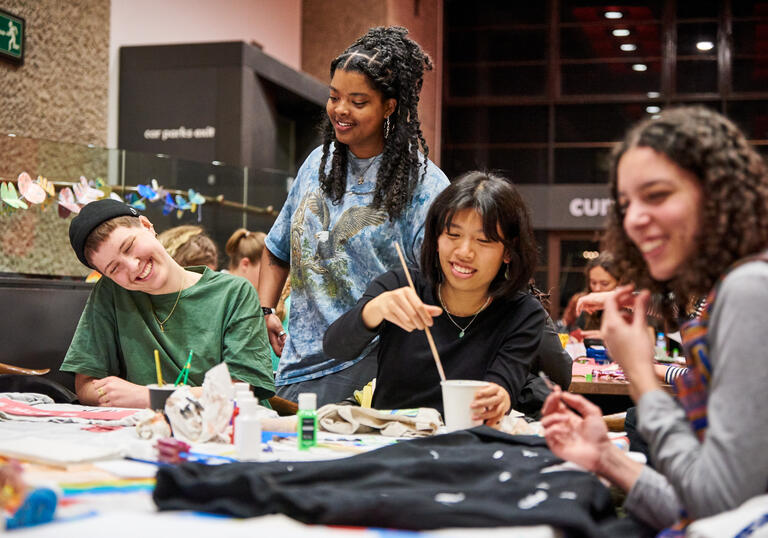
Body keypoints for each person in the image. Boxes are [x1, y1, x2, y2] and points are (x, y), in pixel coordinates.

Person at [541, 106, 768, 531]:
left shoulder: (749, 289)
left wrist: (641, 376)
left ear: (716, 192)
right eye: (626, 204)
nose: (635, 218)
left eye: (657, 195)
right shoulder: (733, 287)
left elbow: (714, 504)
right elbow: (711, 513)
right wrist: (606, 458)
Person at [258, 26, 449, 405]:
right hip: (296, 367)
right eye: (334, 97)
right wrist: (264, 311)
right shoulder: (316, 165)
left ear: (389, 106)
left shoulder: (424, 185)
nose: (340, 110)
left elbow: (442, 286)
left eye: (358, 101)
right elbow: (277, 249)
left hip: (374, 370)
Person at [324, 172, 546, 427]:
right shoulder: (400, 286)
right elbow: (335, 347)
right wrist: (374, 310)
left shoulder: (522, 313)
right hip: (394, 443)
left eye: (483, 240)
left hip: (469, 446)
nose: (464, 252)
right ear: (437, 238)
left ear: (508, 251)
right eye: (453, 235)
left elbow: (504, 381)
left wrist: (499, 397)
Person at [60, 199, 275, 408]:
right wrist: (108, 394)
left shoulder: (233, 292)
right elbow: (87, 384)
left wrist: (148, 397)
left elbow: (241, 388)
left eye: (129, 247)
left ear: (147, 226)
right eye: (114, 269)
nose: (133, 267)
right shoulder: (111, 293)